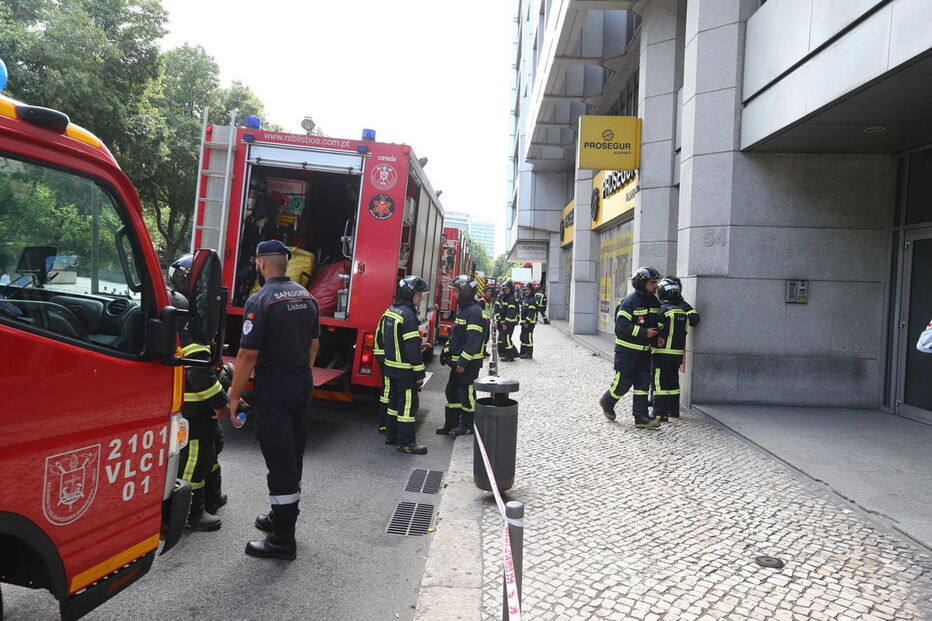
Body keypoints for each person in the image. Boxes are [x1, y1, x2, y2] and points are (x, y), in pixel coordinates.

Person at [228, 239, 320, 561]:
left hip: (276, 384)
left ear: (261, 263)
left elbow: (247, 354)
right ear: (285, 263)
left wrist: (234, 394)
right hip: (300, 381)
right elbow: (313, 345)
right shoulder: (307, 297)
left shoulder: (260, 300)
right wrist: (299, 375)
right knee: (292, 452)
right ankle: (280, 515)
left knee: (279, 458)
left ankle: (283, 540)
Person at [166, 267, 230, 532]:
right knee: (193, 464)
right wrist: (221, 402)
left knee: (211, 452)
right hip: (194, 413)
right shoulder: (192, 329)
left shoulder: (180, 318)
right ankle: (192, 514)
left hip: (196, 412)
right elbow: (200, 376)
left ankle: (212, 497)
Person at [599, 266, 663, 429]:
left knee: (643, 385)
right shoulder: (629, 302)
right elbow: (621, 325)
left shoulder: (655, 302)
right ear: (641, 283)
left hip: (645, 353)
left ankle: (641, 418)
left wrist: (658, 337)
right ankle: (607, 402)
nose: (655, 286)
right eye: (651, 282)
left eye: (655, 283)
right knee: (623, 384)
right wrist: (643, 332)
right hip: (627, 353)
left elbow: (657, 323)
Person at [376, 275, 429, 454]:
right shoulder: (408, 316)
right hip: (405, 370)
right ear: (409, 293)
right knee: (408, 405)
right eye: (419, 294)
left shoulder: (391, 310)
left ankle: (391, 436)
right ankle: (406, 443)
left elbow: (387, 339)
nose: (421, 297)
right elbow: (412, 348)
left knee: (394, 402)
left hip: (391, 367)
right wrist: (420, 372)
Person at [437, 275, 486, 436]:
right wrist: (447, 351)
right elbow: (456, 335)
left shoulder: (475, 312)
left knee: (466, 393)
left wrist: (463, 361)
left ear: (464, 292)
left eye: (456, 291)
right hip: (460, 361)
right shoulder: (464, 309)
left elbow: (473, 341)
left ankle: (467, 425)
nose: (454, 294)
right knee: (452, 391)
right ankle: (451, 424)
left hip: (469, 363)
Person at [651, 277, 700, 422]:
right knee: (673, 382)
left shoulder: (663, 310)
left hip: (661, 354)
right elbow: (695, 320)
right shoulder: (682, 310)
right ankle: (673, 410)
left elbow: (655, 329)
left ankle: (660, 413)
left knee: (660, 383)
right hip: (677, 355)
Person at [498, 279, 520, 362]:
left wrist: (506, 323)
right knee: (506, 339)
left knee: (507, 339)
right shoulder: (506, 297)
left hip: (509, 323)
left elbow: (511, 312)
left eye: (508, 288)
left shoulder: (511, 299)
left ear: (511, 289)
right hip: (506, 322)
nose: (506, 290)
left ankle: (510, 357)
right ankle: (513, 354)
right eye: (505, 288)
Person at [519, 283, 538, 359]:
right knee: (523, 337)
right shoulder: (525, 298)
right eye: (525, 290)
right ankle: (523, 352)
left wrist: (527, 322)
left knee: (528, 337)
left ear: (531, 290)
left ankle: (529, 354)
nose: (526, 291)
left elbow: (531, 312)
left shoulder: (532, 299)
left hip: (530, 322)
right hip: (524, 322)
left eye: (528, 290)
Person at [478, 284, 495, 358]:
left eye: (490, 291)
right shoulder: (482, 301)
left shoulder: (488, 301)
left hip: (487, 322)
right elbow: (480, 312)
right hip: (483, 322)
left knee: (487, 338)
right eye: (488, 291)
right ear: (484, 292)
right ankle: (481, 352)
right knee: (482, 338)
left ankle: (484, 351)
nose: (489, 293)